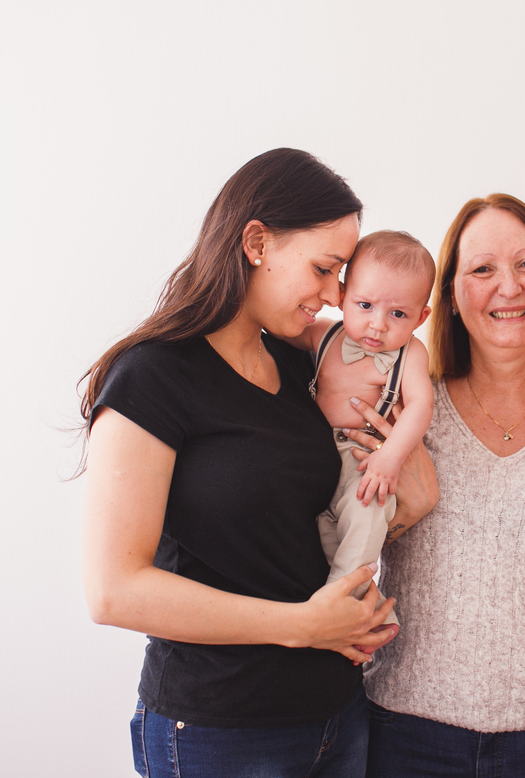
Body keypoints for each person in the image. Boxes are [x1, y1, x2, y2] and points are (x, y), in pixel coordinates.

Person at [78, 148, 437, 778]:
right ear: (256, 243)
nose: (335, 295)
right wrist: (303, 626)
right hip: (220, 731)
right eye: (325, 269)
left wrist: (407, 506)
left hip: (338, 715)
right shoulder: (154, 377)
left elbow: (310, 526)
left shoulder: (308, 369)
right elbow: (114, 591)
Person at [362, 195, 525, 777]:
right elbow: (336, 545)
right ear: (448, 294)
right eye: (482, 269)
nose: (509, 288)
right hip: (404, 734)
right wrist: (406, 508)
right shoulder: (400, 411)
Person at [286, 231, 436, 626]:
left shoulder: (411, 353)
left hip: (365, 460)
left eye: (398, 314)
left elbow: (420, 406)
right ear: (340, 295)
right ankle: (357, 601)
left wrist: (390, 456)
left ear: (421, 317)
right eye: (365, 305)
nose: (377, 325)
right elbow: (277, 328)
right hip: (313, 457)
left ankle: (346, 596)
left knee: (369, 511)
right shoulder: (323, 333)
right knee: (320, 532)